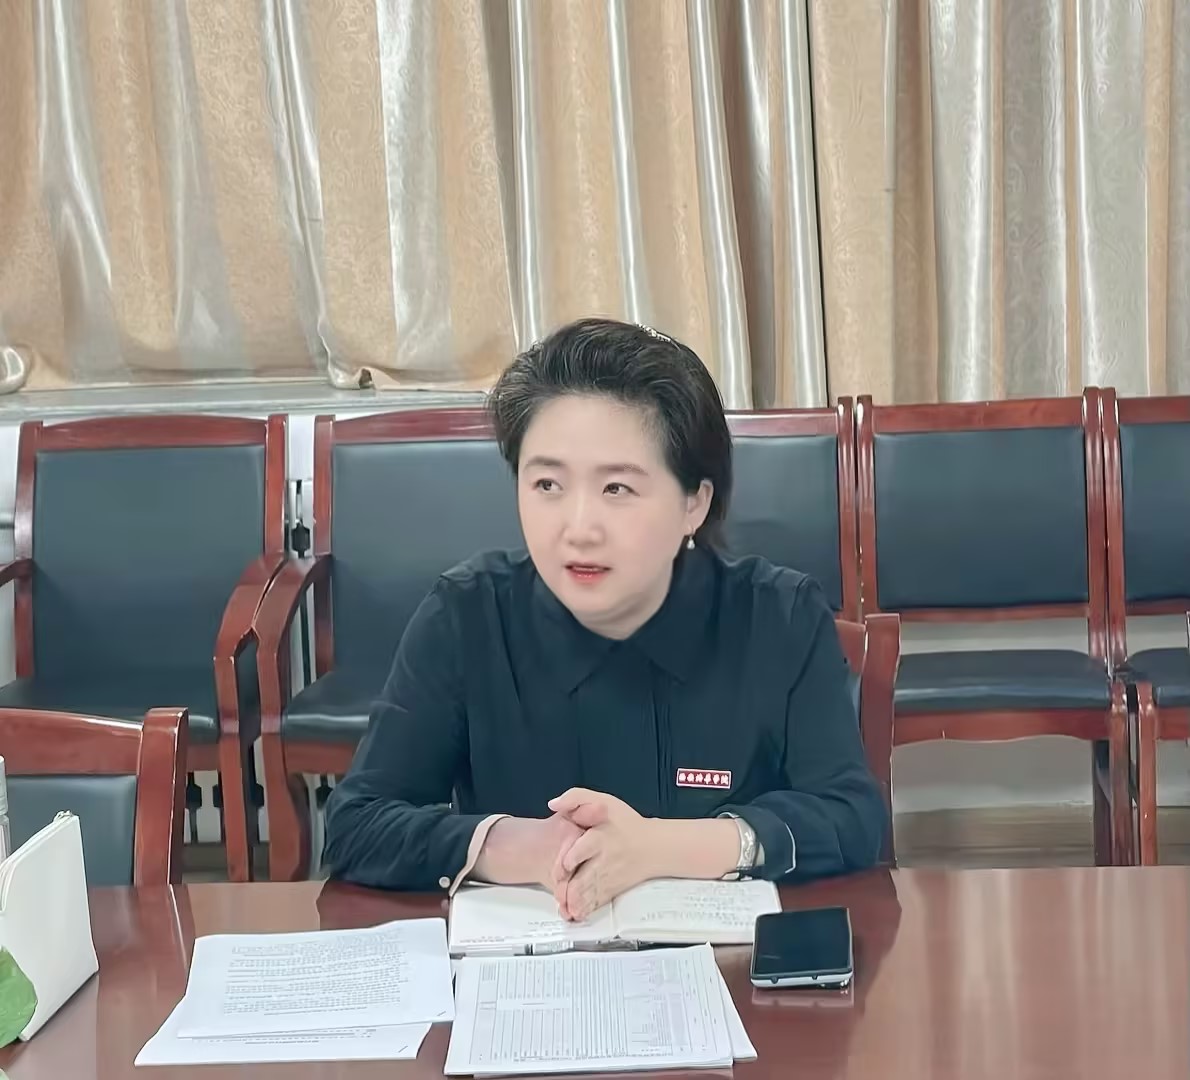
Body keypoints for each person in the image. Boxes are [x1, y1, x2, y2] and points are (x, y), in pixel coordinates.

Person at [323, 317, 886, 920]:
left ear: (694, 503)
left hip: (726, 967)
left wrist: (661, 847)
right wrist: (520, 846)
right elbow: (357, 824)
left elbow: (851, 817)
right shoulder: (467, 616)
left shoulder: (778, 618)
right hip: (530, 967)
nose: (578, 529)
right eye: (547, 484)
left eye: (616, 489)